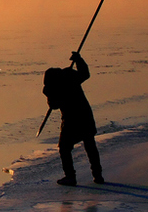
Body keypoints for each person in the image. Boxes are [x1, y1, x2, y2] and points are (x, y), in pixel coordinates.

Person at [43, 51, 104, 186]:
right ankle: (97, 174)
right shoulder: (70, 76)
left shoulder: (56, 86)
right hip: (85, 115)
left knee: (64, 148)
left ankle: (70, 176)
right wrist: (78, 60)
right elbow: (85, 73)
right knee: (90, 145)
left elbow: (54, 105)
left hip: (71, 120)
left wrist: (49, 95)